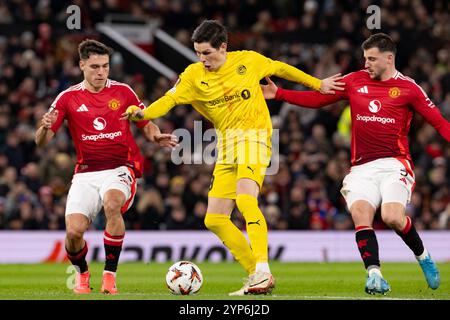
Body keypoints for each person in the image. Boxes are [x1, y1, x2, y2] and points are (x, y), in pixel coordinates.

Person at [123, 20, 345, 295]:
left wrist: (317, 83)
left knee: (245, 199)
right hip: (227, 146)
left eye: (207, 53)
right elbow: (168, 101)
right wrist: (143, 114)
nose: (201, 59)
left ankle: (263, 268)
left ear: (224, 47)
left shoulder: (248, 61)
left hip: (255, 138)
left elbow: (280, 68)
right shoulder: (192, 76)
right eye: (197, 53)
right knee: (214, 219)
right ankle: (256, 275)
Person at [262, 33, 448, 295]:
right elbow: (319, 99)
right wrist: (280, 93)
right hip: (361, 168)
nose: (366, 63)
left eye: (372, 59)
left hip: (394, 164)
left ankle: (423, 255)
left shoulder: (409, 88)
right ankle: (374, 275)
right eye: (365, 58)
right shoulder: (354, 80)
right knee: (361, 214)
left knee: (392, 217)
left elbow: (438, 122)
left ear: (389, 58)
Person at [35, 39, 177, 295]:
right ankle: (83, 274)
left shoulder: (124, 92)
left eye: (105, 66)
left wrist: (157, 137)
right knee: (74, 233)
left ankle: (109, 278)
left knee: (112, 205)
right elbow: (42, 143)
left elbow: (146, 123)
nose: (101, 72)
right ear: (81, 66)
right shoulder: (67, 98)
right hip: (86, 173)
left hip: (120, 167)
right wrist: (44, 127)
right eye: (95, 67)